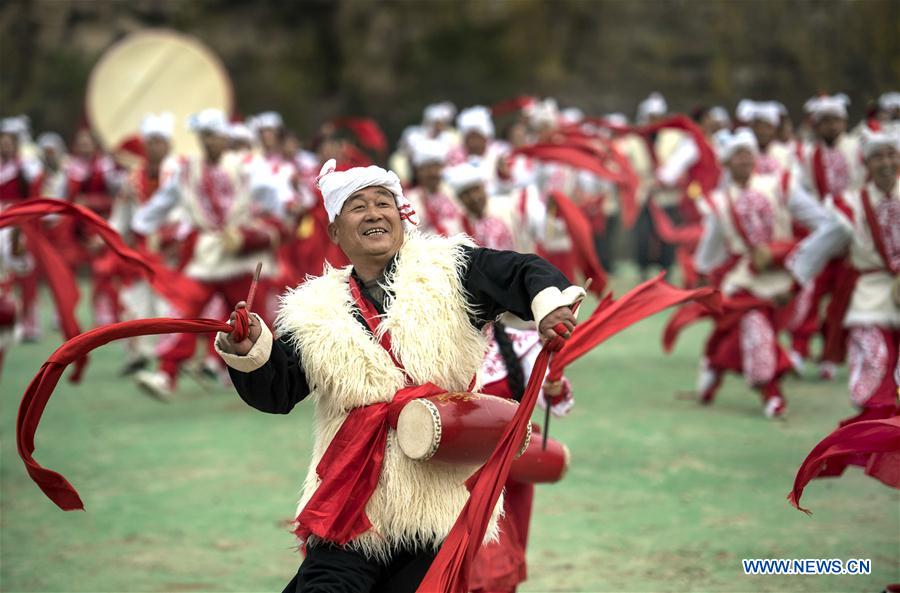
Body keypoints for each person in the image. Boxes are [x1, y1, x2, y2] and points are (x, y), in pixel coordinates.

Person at [215, 158, 584, 593]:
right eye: (357, 206)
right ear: (334, 231)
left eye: (383, 203)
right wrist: (251, 350)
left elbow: (522, 271)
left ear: (401, 215)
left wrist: (548, 307)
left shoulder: (450, 272)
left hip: (437, 504)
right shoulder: (312, 311)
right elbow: (278, 393)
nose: (374, 213)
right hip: (349, 503)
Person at [133, 108, 283, 397]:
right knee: (185, 311)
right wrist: (141, 226)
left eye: (214, 136)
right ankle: (166, 374)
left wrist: (263, 227)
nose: (209, 143)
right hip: (208, 256)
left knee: (252, 322)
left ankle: (274, 376)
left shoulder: (247, 165)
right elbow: (163, 202)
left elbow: (276, 198)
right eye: (204, 137)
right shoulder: (187, 170)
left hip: (240, 256)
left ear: (224, 137)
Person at [693, 128, 834, 418]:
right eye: (736, 156)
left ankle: (715, 365)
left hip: (788, 277)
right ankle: (772, 394)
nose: (744, 160)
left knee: (747, 333)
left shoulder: (780, 185)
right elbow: (711, 246)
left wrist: (788, 252)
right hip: (747, 279)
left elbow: (823, 223)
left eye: (748, 153)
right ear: (726, 164)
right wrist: (702, 273)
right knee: (755, 330)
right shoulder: (720, 202)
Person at [787, 130, 899, 459]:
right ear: (865, 162)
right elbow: (820, 246)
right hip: (870, 298)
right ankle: (875, 443)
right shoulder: (849, 206)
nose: (887, 163)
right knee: (876, 367)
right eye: (878, 156)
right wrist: (793, 282)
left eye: (892, 154)